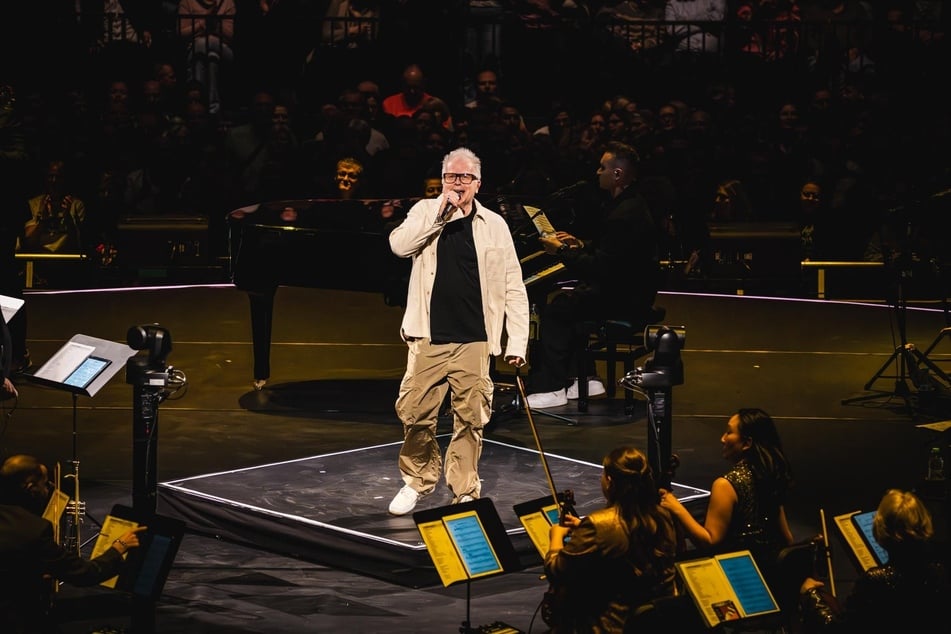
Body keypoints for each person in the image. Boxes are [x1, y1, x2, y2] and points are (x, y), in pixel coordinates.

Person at [386, 147, 529, 515]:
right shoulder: (424, 211)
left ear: (478, 184)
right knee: (416, 413)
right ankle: (418, 481)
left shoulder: (494, 224)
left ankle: (465, 487)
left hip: (475, 338)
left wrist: (516, 341)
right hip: (428, 336)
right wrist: (439, 213)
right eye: (451, 176)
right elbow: (399, 246)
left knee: (471, 417)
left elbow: (513, 284)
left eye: (465, 177)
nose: (457, 183)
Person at [524, 141, 662, 408]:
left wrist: (562, 250)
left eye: (602, 167)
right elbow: (612, 252)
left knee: (558, 309)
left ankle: (551, 387)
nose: (597, 172)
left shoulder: (624, 214)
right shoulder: (629, 205)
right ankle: (585, 377)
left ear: (618, 174)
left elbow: (601, 267)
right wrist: (580, 244)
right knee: (575, 301)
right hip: (629, 291)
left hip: (626, 299)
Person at [0, 454, 147, 632]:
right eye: (45, 484)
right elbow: (85, 574)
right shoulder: (33, 530)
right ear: (31, 488)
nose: (48, 490)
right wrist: (118, 547)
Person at [544, 445, 680, 632]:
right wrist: (582, 528)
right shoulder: (662, 516)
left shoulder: (599, 524)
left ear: (609, 481)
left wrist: (556, 537)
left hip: (610, 626)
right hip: (655, 622)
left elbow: (556, 570)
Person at [660, 408, 794, 584]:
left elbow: (710, 541)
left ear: (747, 443)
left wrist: (675, 506)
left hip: (738, 575)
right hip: (771, 573)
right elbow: (787, 538)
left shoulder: (726, 485)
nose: (722, 438)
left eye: (729, 432)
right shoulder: (769, 476)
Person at [799, 488, 951, 632]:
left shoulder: (875, 581)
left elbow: (838, 630)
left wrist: (811, 595)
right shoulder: (939, 572)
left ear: (882, 531)